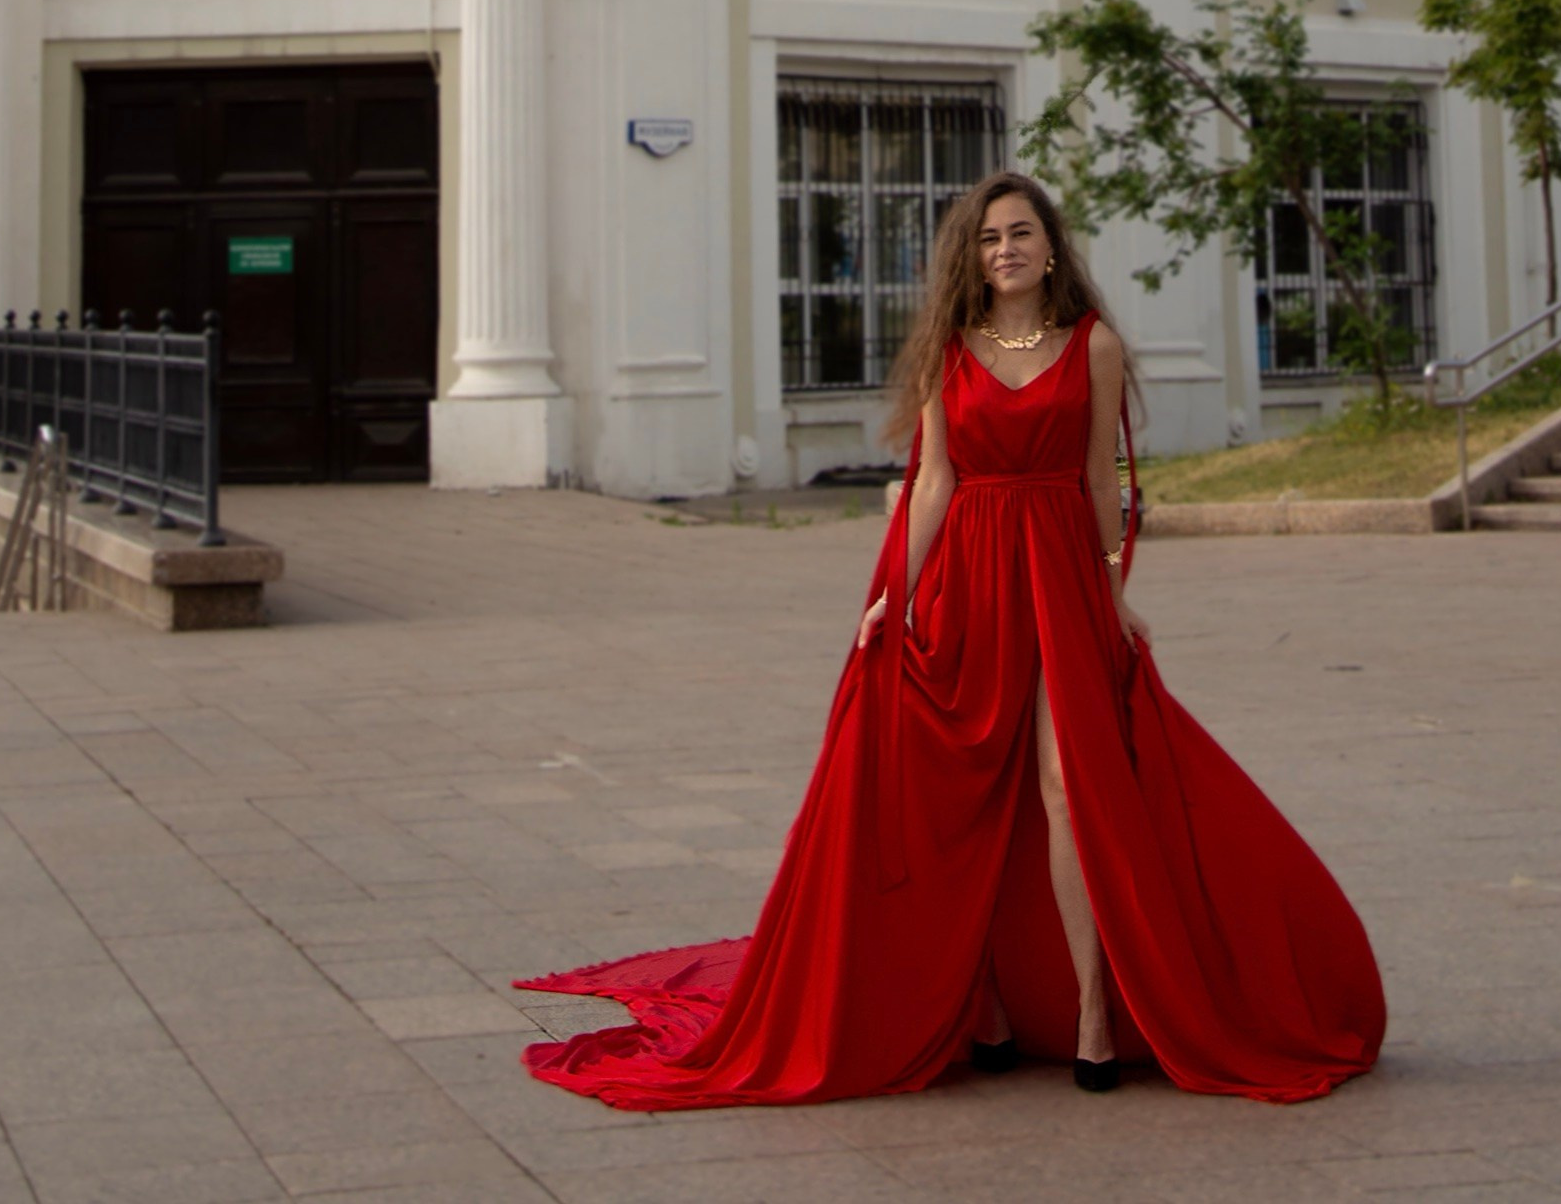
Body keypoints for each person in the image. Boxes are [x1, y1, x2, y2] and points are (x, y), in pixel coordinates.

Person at [521, 168, 1385, 1108]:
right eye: (986, 238)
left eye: (1019, 233)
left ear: (1050, 248)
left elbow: (1103, 480)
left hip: (1059, 575)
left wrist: (1113, 591)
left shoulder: (1092, 345)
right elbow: (934, 480)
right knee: (963, 794)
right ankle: (985, 1006)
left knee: (1066, 787)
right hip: (968, 578)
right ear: (970, 257)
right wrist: (894, 593)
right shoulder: (948, 347)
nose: (1003, 250)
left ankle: (1095, 1013)